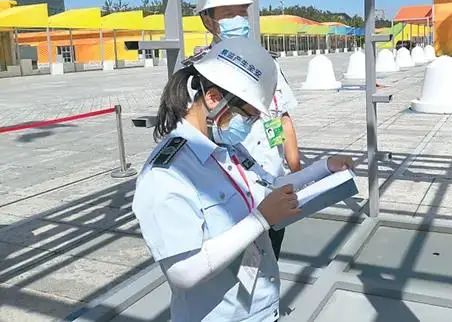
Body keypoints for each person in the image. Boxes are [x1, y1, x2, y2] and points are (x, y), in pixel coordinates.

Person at [133, 37, 353, 322]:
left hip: (262, 310)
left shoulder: (226, 147)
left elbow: (268, 186)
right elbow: (183, 273)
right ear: (213, 99)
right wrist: (260, 220)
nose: (249, 124)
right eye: (247, 115)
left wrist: (324, 168)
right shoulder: (167, 173)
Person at [193, 0, 301, 259]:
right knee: (240, 268)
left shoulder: (266, 64)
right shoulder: (200, 72)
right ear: (207, 20)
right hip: (232, 196)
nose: (239, 20)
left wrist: (297, 173)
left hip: (273, 184)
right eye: (229, 14)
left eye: (242, 12)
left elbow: (283, 119)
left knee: (271, 261)